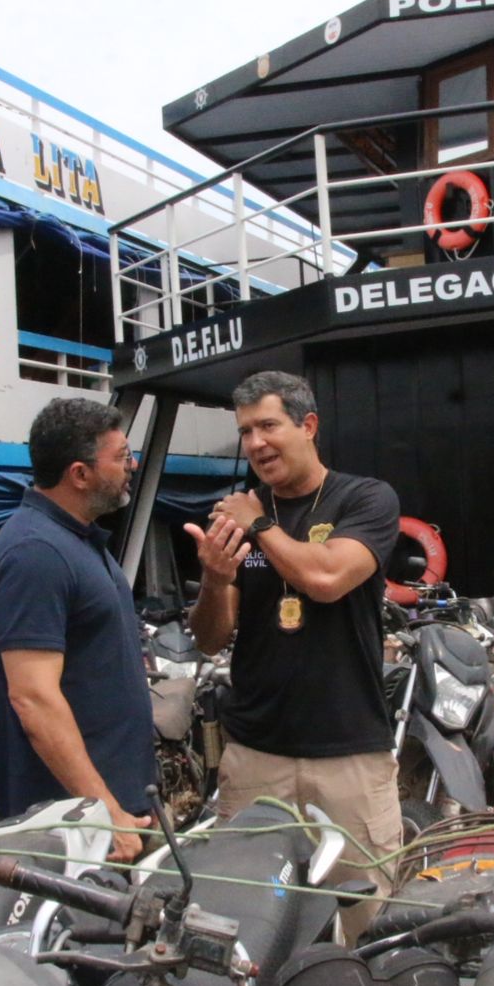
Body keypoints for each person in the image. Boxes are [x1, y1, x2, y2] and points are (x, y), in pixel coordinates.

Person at [184, 371, 401, 936]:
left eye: (268, 425)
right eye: (246, 431)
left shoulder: (366, 498)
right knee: (243, 926)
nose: (256, 443)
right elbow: (211, 637)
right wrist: (213, 579)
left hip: (348, 754)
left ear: (308, 426)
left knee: (362, 923)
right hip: (256, 754)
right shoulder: (231, 519)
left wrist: (256, 523)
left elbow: (326, 579)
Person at [0, 398, 154, 862]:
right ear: (79, 474)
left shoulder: (74, 538)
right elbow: (33, 698)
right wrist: (106, 811)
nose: (132, 464)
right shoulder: (36, 552)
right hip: (71, 828)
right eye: (121, 457)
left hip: (104, 813)